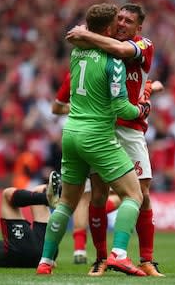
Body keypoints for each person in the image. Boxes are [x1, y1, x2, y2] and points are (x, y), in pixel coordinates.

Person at [36, 3, 150, 276]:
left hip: (71, 133)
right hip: (97, 135)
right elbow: (122, 109)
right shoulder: (115, 62)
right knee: (133, 195)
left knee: (67, 203)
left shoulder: (77, 53)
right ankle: (119, 255)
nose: (121, 26)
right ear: (109, 28)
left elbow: (81, 39)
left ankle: (45, 262)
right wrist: (142, 109)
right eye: (117, 22)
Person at [66, 3, 165, 277]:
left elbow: (120, 50)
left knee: (142, 196)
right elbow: (74, 41)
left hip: (132, 130)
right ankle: (101, 259)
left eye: (128, 21)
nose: (122, 23)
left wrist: (86, 34)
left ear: (138, 28)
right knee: (97, 195)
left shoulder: (143, 45)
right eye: (119, 18)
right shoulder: (100, 46)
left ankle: (147, 259)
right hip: (103, 130)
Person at [52, 71, 122, 265]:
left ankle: (74, 251)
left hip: (73, 135)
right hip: (100, 137)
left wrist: (74, 107)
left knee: (80, 200)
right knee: (120, 195)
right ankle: (108, 253)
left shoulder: (73, 74)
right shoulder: (108, 68)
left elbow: (56, 108)